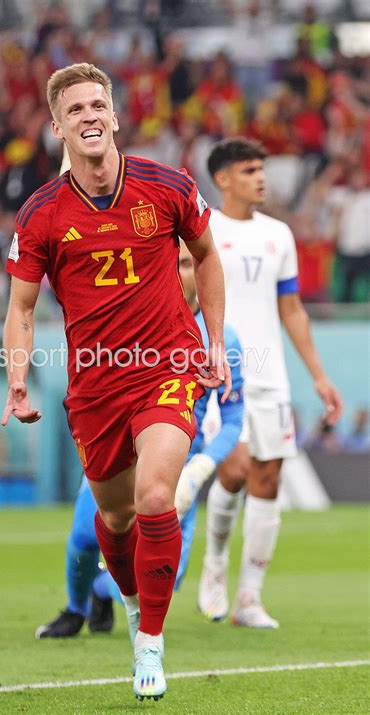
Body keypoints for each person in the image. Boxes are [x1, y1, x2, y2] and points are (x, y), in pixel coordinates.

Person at [1, 63, 230, 702]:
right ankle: (133, 610)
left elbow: (208, 256)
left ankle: (150, 643)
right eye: (75, 110)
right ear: (57, 127)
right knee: (115, 514)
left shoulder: (167, 186)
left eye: (98, 104)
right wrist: (16, 380)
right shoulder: (41, 213)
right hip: (97, 385)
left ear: (117, 115)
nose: (90, 116)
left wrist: (213, 341)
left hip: (167, 366)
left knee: (158, 495)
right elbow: (20, 310)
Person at [36, 242, 244, 638]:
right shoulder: (135, 322)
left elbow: (234, 416)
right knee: (84, 535)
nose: (181, 273)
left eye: (187, 263)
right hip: (116, 452)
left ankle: (103, 592)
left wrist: (201, 468)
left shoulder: (224, 339)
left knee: (164, 573)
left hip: (176, 468)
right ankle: (76, 609)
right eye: (173, 263)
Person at [178, 137, 342, 629]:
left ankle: (249, 597)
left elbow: (290, 308)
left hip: (270, 375)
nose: (261, 178)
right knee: (233, 469)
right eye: (250, 170)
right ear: (223, 178)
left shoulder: (278, 236)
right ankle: (214, 565)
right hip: (218, 367)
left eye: (262, 169)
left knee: (267, 479)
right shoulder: (202, 227)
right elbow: (183, 291)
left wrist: (318, 375)